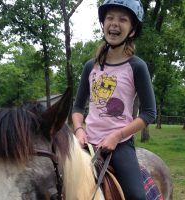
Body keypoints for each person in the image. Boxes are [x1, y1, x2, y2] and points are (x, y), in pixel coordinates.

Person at [72, 0, 156, 199]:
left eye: (122, 19)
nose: (114, 23)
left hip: (119, 144)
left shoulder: (137, 66)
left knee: (137, 196)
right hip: (87, 142)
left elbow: (149, 113)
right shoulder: (89, 66)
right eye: (110, 18)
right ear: (103, 24)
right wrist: (78, 129)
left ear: (132, 30)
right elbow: (77, 107)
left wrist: (117, 136)